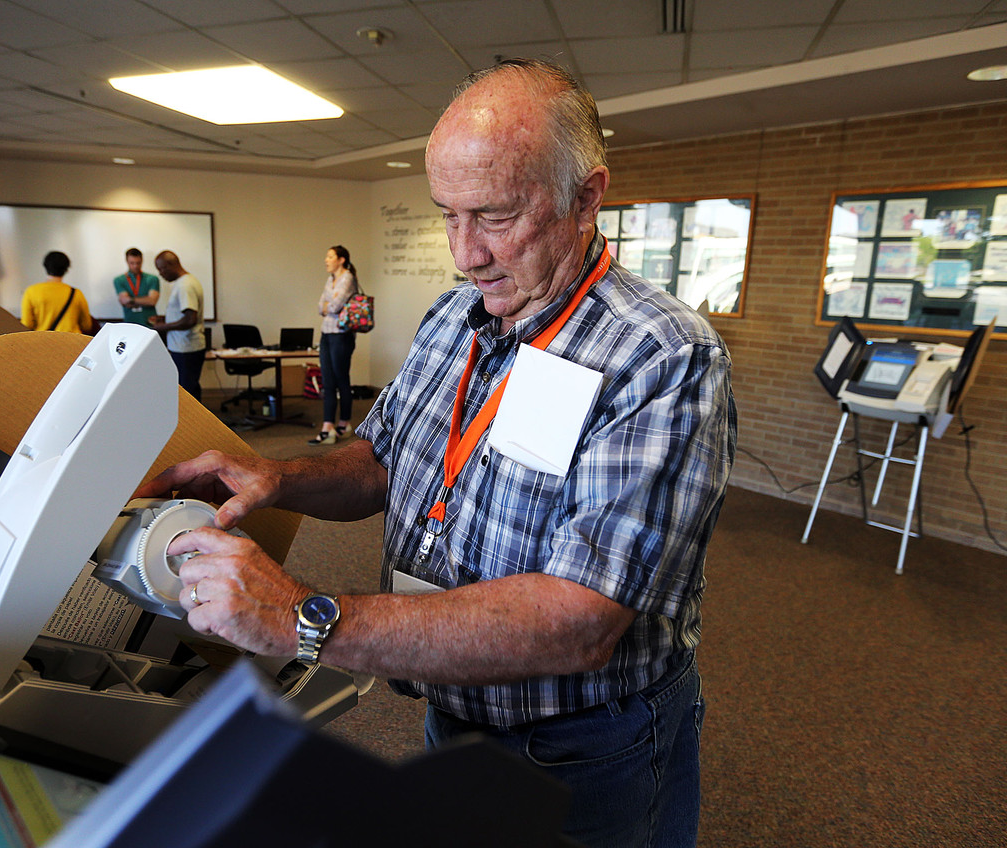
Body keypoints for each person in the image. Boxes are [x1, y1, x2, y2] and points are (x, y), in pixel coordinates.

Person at [136, 59, 736, 848]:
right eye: (446, 214)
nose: (465, 253)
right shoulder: (455, 316)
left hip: (587, 746)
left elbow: (578, 622)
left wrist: (306, 618)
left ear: (587, 196)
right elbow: (383, 459)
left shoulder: (663, 357)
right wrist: (282, 477)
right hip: (454, 706)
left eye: (493, 215)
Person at [310, 245, 358, 446]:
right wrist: (328, 306)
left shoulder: (347, 278)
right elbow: (321, 306)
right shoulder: (331, 279)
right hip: (326, 333)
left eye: (330, 256)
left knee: (341, 379)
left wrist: (328, 306)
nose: (326, 260)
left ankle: (344, 423)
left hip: (341, 335)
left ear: (341, 259)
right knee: (328, 380)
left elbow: (335, 306)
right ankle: (327, 427)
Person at [149, 250, 206, 400]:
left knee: (187, 393)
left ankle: (193, 423)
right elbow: (184, 314)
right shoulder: (186, 281)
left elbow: (189, 319)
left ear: (171, 265)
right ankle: (196, 422)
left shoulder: (185, 286)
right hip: (184, 347)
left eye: (161, 269)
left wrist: (162, 327)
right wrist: (164, 318)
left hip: (186, 348)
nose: (160, 274)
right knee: (190, 388)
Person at [20, 251, 92, 334]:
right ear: (66, 269)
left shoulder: (31, 291)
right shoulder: (76, 293)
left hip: (43, 342)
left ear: (45, 266)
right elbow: (87, 325)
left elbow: (27, 324)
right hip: (72, 342)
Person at [113, 247, 160, 327]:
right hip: (130, 324)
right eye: (132, 263)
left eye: (138, 263)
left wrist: (131, 300)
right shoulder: (119, 280)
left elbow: (152, 301)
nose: (135, 266)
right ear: (127, 262)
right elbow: (124, 301)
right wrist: (145, 300)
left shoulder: (152, 279)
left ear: (142, 261)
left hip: (150, 324)